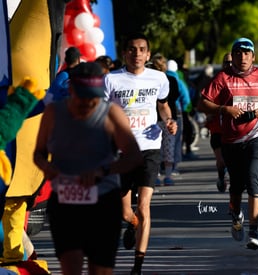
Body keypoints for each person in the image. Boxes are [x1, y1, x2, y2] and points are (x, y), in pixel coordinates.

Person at [33, 62, 143, 275]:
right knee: (70, 268)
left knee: (99, 270)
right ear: (71, 90)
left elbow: (134, 156)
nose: (88, 103)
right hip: (65, 202)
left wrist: (102, 171)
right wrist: (48, 168)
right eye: (83, 96)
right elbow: (38, 153)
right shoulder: (54, 113)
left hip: (102, 202)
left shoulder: (111, 114)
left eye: (94, 97)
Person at [104, 32, 177, 275]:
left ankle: (138, 265)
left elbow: (163, 106)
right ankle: (132, 224)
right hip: (121, 150)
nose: (137, 54)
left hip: (149, 148)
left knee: (144, 207)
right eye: (132, 49)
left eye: (142, 49)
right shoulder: (111, 80)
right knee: (125, 211)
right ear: (124, 53)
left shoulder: (159, 78)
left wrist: (169, 121)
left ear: (148, 54)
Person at [198, 37, 258, 250]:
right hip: (230, 139)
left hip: (255, 136)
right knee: (236, 185)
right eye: (238, 53)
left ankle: (254, 232)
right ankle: (236, 216)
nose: (242, 57)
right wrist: (224, 110)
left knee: (253, 179)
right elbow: (202, 103)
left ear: (253, 56)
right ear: (233, 56)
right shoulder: (223, 78)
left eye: (247, 53)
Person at [149, 53, 180, 186]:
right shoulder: (171, 80)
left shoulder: (149, 80)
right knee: (168, 147)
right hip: (169, 117)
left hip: (153, 118)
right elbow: (176, 95)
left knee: (155, 148)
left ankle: (156, 176)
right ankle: (168, 176)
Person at [204, 53, 232, 192]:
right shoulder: (216, 81)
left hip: (234, 129)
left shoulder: (240, 81)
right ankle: (222, 176)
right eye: (226, 62)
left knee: (234, 160)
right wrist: (209, 114)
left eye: (232, 62)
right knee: (221, 162)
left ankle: (236, 180)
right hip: (217, 129)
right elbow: (205, 102)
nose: (230, 65)